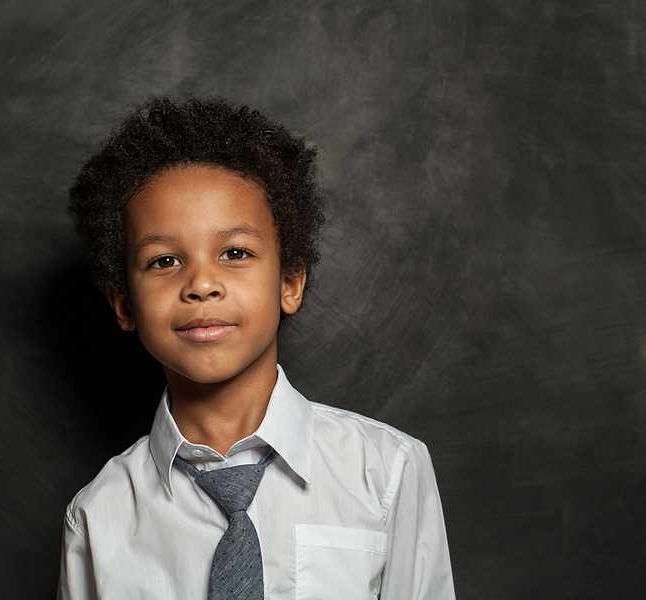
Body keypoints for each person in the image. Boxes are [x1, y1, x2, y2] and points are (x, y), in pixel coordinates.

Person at [58, 95, 456, 599]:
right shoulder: (97, 516)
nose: (202, 283)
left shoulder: (387, 471)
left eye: (235, 253)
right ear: (124, 304)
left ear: (289, 283)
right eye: (163, 261)